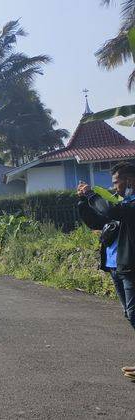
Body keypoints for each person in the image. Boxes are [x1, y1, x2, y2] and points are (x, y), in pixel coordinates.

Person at [78, 161, 135, 379]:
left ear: (130, 180)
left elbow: (109, 210)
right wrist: (83, 202)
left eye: (116, 182)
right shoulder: (123, 203)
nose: (113, 187)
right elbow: (98, 221)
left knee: (134, 314)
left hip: (131, 268)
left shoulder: (130, 206)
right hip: (116, 267)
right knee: (130, 314)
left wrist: (92, 195)